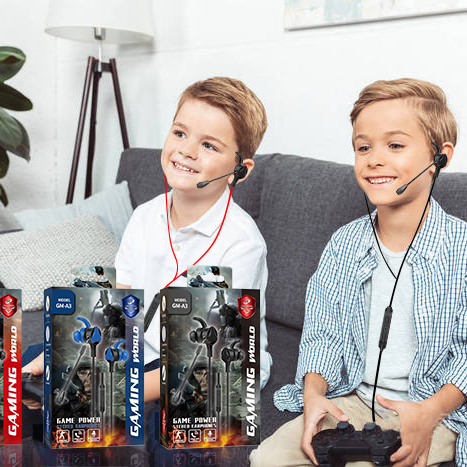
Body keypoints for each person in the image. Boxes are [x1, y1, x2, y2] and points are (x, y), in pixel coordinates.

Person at [251, 78, 466, 467]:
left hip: (433, 407)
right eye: (363, 147)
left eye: (395, 145)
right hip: (353, 398)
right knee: (267, 459)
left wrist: (430, 412)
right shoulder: (345, 244)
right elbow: (323, 333)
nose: (374, 159)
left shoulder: (461, 247)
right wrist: (314, 395)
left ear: (440, 157)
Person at [115, 77, 272, 402]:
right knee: (40, 366)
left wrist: (123, 391)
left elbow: (209, 358)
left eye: (209, 145)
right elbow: (123, 305)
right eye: (180, 133)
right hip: (149, 356)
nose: (186, 151)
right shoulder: (145, 215)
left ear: (239, 170)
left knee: (144, 418)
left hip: (213, 366)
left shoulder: (242, 244)